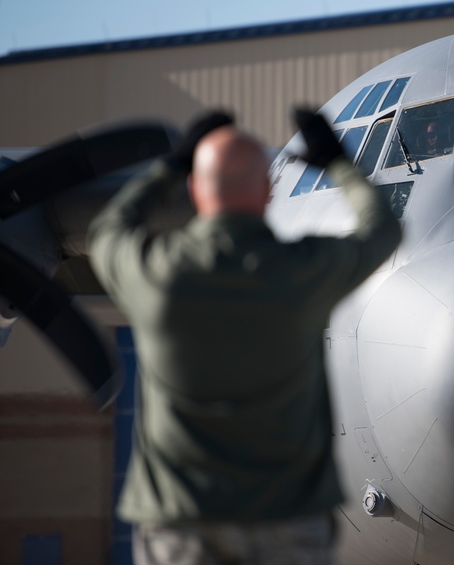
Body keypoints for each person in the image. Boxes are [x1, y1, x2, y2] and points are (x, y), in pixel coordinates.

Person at [88, 109, 402, 565]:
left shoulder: (156, 273)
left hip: (181, 522)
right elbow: (383, 229)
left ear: (195, 189)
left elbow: (106, 232)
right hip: (288, 521)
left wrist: (169, 168)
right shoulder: (302, 272)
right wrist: (339, 162)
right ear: (267, 191)